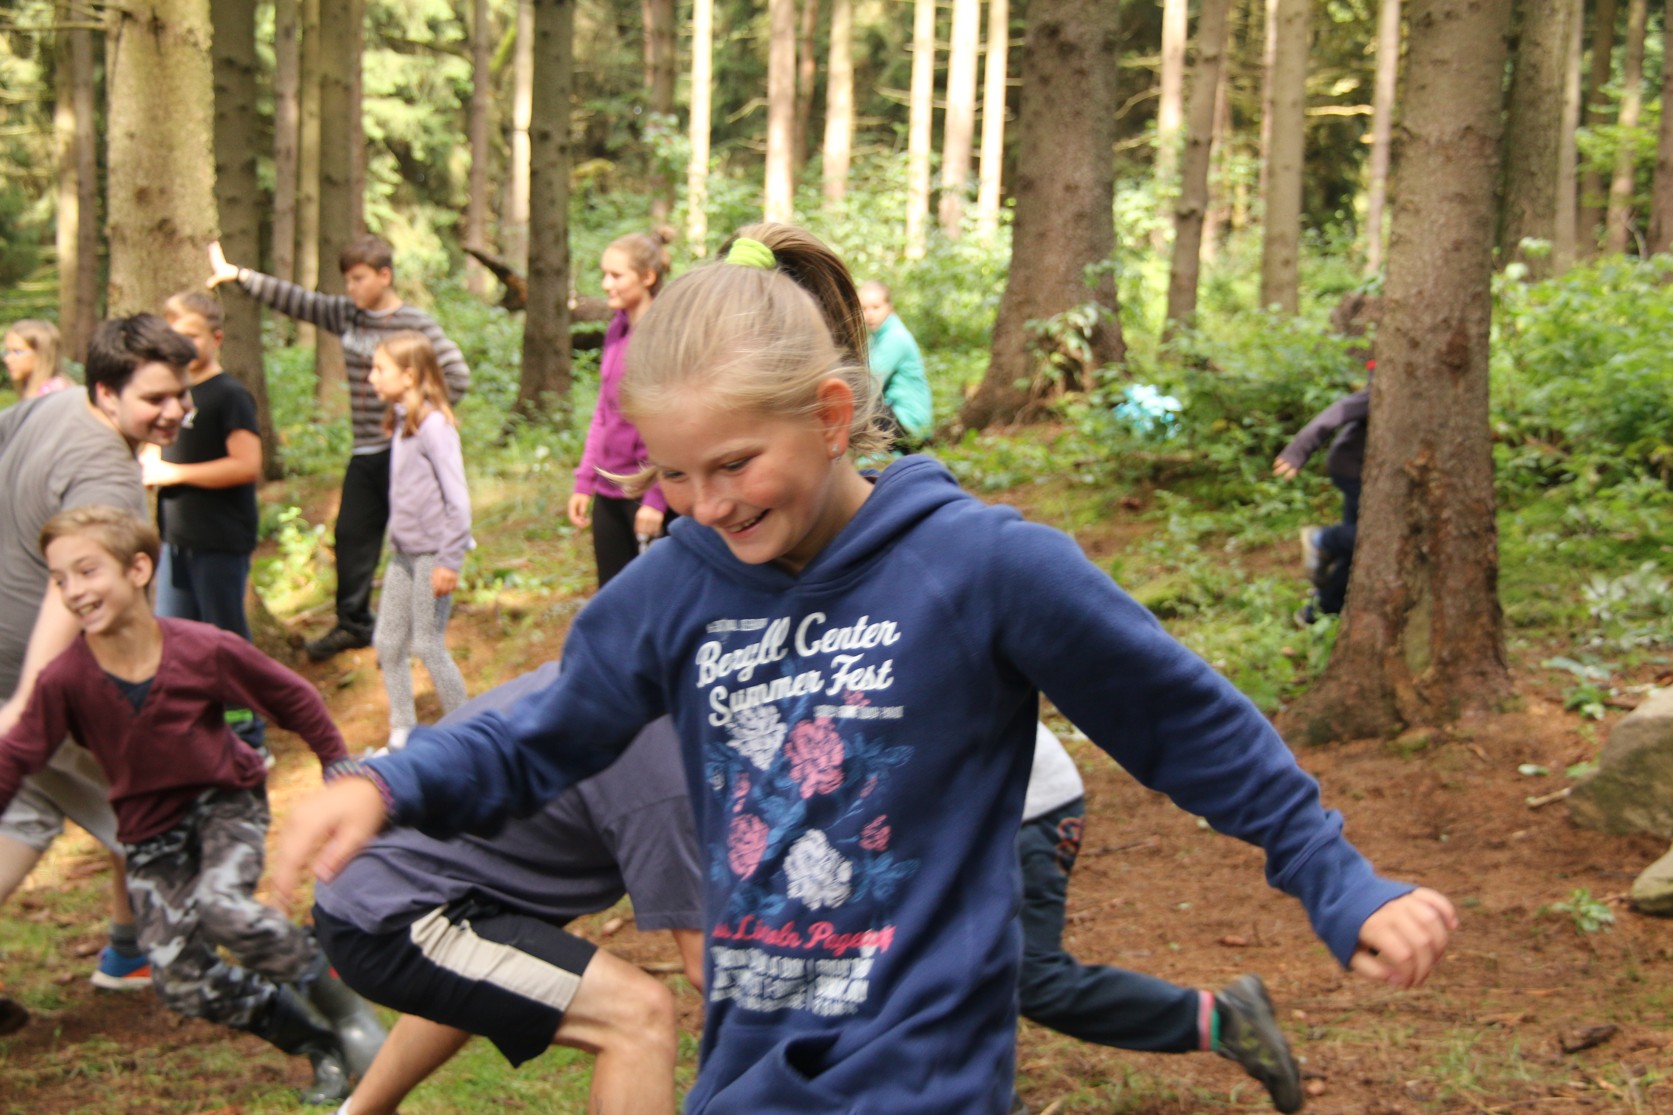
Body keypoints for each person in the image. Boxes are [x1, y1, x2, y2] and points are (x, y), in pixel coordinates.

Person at [274, 223, 1457, 1115]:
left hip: (921, 1072)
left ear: (832, 413)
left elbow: (1184, 724)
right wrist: (390, 781)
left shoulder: (980, 565)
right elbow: (541, 733)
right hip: (749, 1072)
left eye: (734, 463)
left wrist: (1336, 879)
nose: (704, 503)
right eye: (674, 474)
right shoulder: (676, 585)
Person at [0, 505, 386, 1104]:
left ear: (137, 570)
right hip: (148, 831)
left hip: (224, 802)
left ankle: (346, 1011)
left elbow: (294, 699)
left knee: (223, 907)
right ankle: (316, 1044)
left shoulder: (202, 649)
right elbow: (17, 755)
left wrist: (337, 767)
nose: (73, 591)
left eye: (87, 571)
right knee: (181, 981)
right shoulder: (65, 679)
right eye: (59, 579)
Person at [313, 660, 705, 1115]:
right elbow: (712, 968)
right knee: (637, 1015)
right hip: (392, 915)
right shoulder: (663, 766)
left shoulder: (621, 668)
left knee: (492, 971)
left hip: (390, 889)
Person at [0, 315, 196, 999]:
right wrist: (29, 702)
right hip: (49, 676)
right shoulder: (106, 473)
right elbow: (77, 594)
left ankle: (129, 951)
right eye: (155, 398)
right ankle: (175, 953)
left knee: (32, 814)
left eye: (180, 393)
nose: (174, 410)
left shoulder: (48, 406)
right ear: (107, 393)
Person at [205, 235, 470, 661]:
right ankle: (354, 624)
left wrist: (417, 417)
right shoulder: (347, 315)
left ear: (385, 276)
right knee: (350, 535)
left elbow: (456, 374)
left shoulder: (415, 324)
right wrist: (239, 276)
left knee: (417, 536)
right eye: (347, 280)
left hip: (406, 451)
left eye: (359, 279)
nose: (351, 287)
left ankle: (425, 622)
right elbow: (298, 301)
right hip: (365, 451)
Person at [1017, 723, 1301, 1113]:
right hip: (1003, 801)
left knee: (1027, 972)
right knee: (968, 964)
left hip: (1026, 807)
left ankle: (1228, 1021)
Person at [145, 291, 267, 760]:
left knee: (224, 640)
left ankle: (248, 738)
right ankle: (195, 734)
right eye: (174, 334)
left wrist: (173, 474)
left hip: (220, 541)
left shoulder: (229, 395)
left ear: (215, 338)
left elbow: (246, 464)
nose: (182, 343)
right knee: (176, 640)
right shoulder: (173, 398)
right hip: (176, 541)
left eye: (191, 335)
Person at [367, 331, 471, 751]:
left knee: (427, 643)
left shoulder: (434, 427)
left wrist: (450, 560)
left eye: (380, 369)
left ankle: (467, 729)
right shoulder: (402, 422)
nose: (372, 377)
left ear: (409, 375)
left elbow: (458, 501)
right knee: (388, 642)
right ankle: (402, 733)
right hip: (404, 555)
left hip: (434, 554)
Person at [568, 230, 674, 588]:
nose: (605, 284)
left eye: (616, 275)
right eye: (604, 274)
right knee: (613, 595)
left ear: (648, 277)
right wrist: (585, 481)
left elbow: (672, 423)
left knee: (656, 598)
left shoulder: (664, 337)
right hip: (609, 489)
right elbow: (604, 412)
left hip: (649, 494)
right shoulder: (616, 328)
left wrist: (657, 498)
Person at [1273, 366, 1372, 626]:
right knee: (1372, 536)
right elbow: (1336, 412)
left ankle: (1320, 611)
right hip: (1352, 470)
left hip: (1363, 471)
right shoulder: (1383, 388)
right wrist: (1298, 450)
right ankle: (1322, 540)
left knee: (1356, 549)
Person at [857, 280, 932, 447]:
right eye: (864, 308)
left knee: (853, 403)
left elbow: (868, 386)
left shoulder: (895, 338)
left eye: (876, 307)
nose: (869, 314)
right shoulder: (876, 337)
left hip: (909, 420)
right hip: (892, 413)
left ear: (889, 308)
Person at [4, 319, 74, 399]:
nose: (7, 359)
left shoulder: (53, 393)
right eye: (7, 352)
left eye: (17, 352)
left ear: (42, 354)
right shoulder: (33, 389)